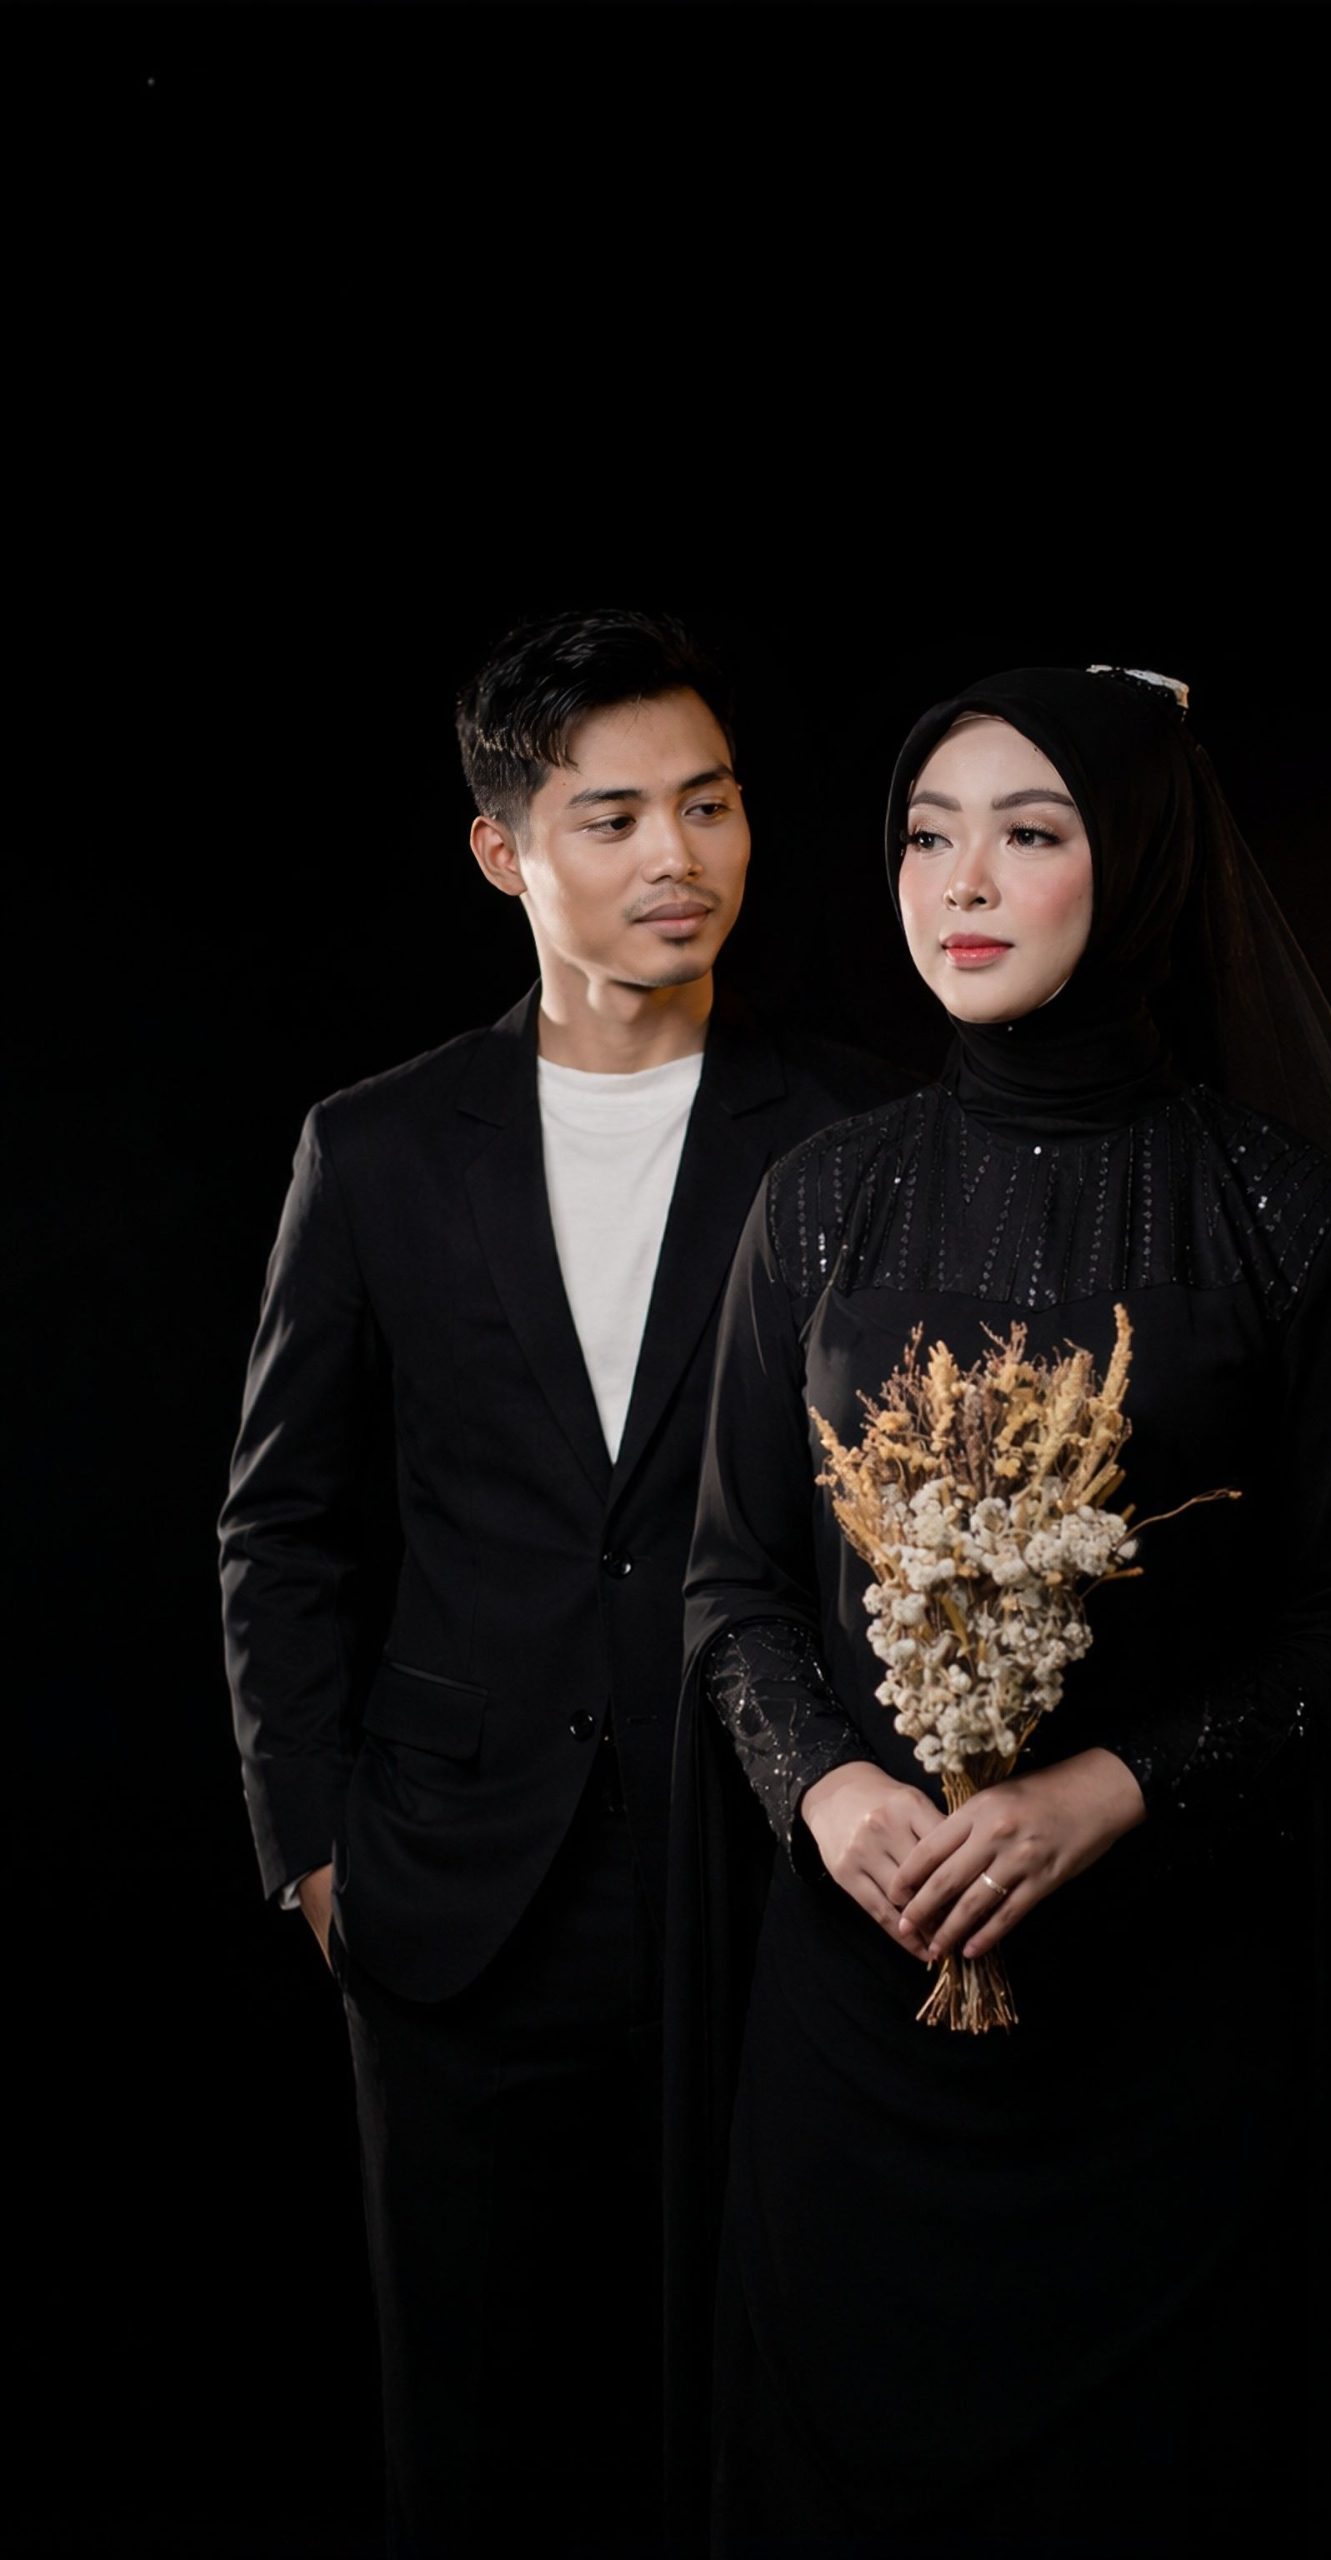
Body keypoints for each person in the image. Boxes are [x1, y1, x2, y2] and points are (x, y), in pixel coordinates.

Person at [672, 665, 1331, 2556]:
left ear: (1140, 862)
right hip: (861, 2027)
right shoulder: (819, 1202)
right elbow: (733, 1582)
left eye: (1032, 831)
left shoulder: (1275, 1211)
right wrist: (830, 1788)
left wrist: (1112, 1789)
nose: (963, 883)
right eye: (928, 835)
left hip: (1174, 2049)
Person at [219, 608, 909, 2559]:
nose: (677, 855)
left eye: (710, 802)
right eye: (612, 816)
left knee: (762, 2404)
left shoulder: (858, 1134)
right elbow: (282, 1522)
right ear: (502, 849)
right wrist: (312, 1846)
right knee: (476, 2433)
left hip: (768, 1873)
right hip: (454, 1881)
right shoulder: (372, 1145)